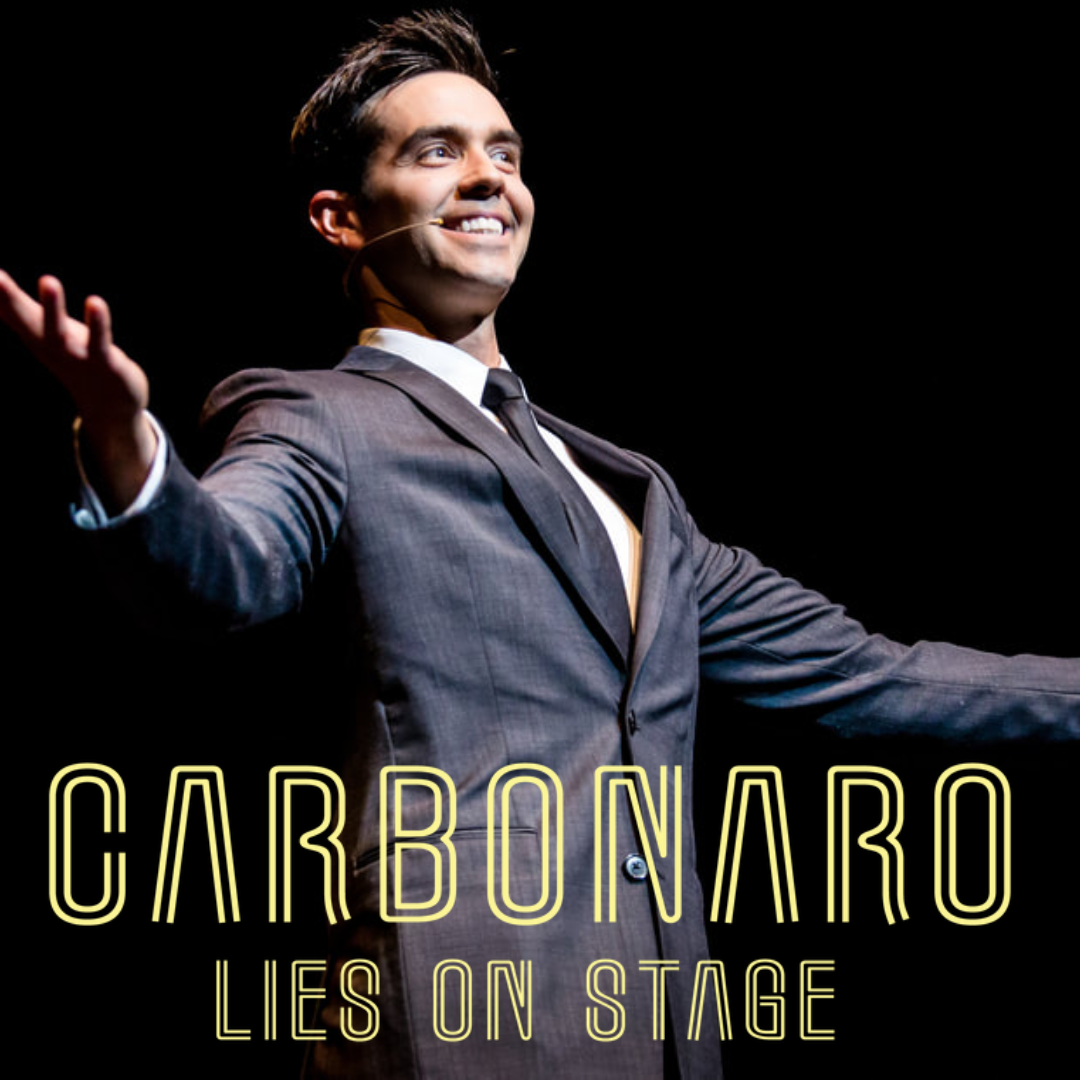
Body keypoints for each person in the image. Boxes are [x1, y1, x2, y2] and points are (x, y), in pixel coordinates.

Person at [2, 10, 1076, 1079]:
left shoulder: (634, 489)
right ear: (341, 219)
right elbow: (225, 566)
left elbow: (877, 675)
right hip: (457, 1020)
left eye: (506, 155)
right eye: (437, 152)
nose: (488, 178)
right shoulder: (315, 416)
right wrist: (125, 446)